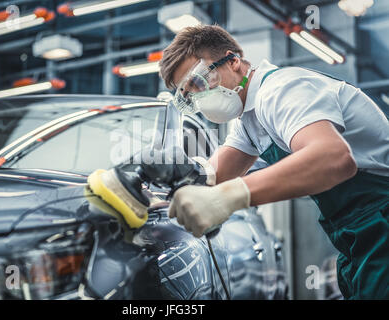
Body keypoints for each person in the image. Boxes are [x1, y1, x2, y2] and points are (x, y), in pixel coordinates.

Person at [159, 25, 389, 299]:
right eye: (188, 95)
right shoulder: (248, 121)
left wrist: (230, 196)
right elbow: (209, 177)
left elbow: (334, 158)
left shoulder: (281, 89)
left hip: (381, 218)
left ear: (232, 61)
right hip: (357, 232)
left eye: (198, 83)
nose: (198, 97)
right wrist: (144, 190)